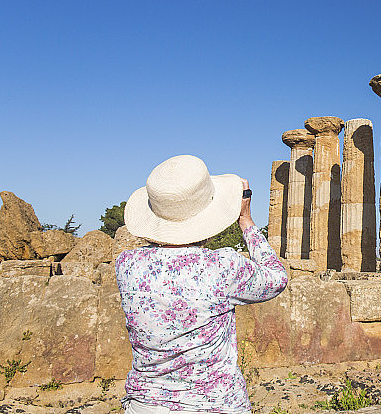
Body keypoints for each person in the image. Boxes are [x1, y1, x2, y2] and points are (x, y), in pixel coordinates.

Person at [116, 154, 288, 413]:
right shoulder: (223, 267)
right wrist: (245, 220)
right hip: (215, 405)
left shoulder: (127, 264)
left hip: (146, 405)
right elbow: (276, 278)